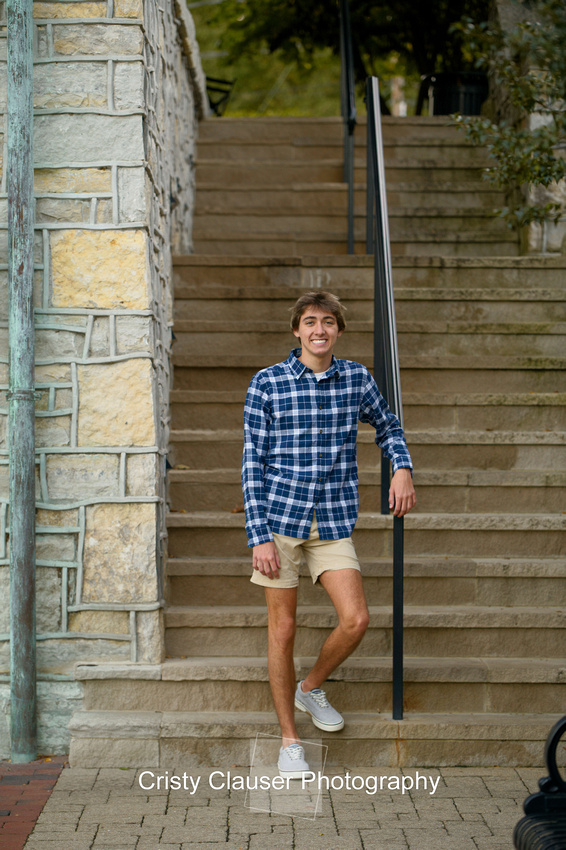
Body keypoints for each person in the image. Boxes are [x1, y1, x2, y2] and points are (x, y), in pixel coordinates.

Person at [241, 291, 416, 779]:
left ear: (339, 329)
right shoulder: (267, 383)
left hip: (332, 519)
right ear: (296, 330)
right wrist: (258, 535)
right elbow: (252, 461)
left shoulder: (356, 378)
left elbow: (388, 426)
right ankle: (290, 741)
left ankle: (310, 685)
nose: (319, 330)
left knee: (356, 619)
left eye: (328, 322)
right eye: (310, 321)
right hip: (278, 522)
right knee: (283, 630)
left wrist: (401, 467)